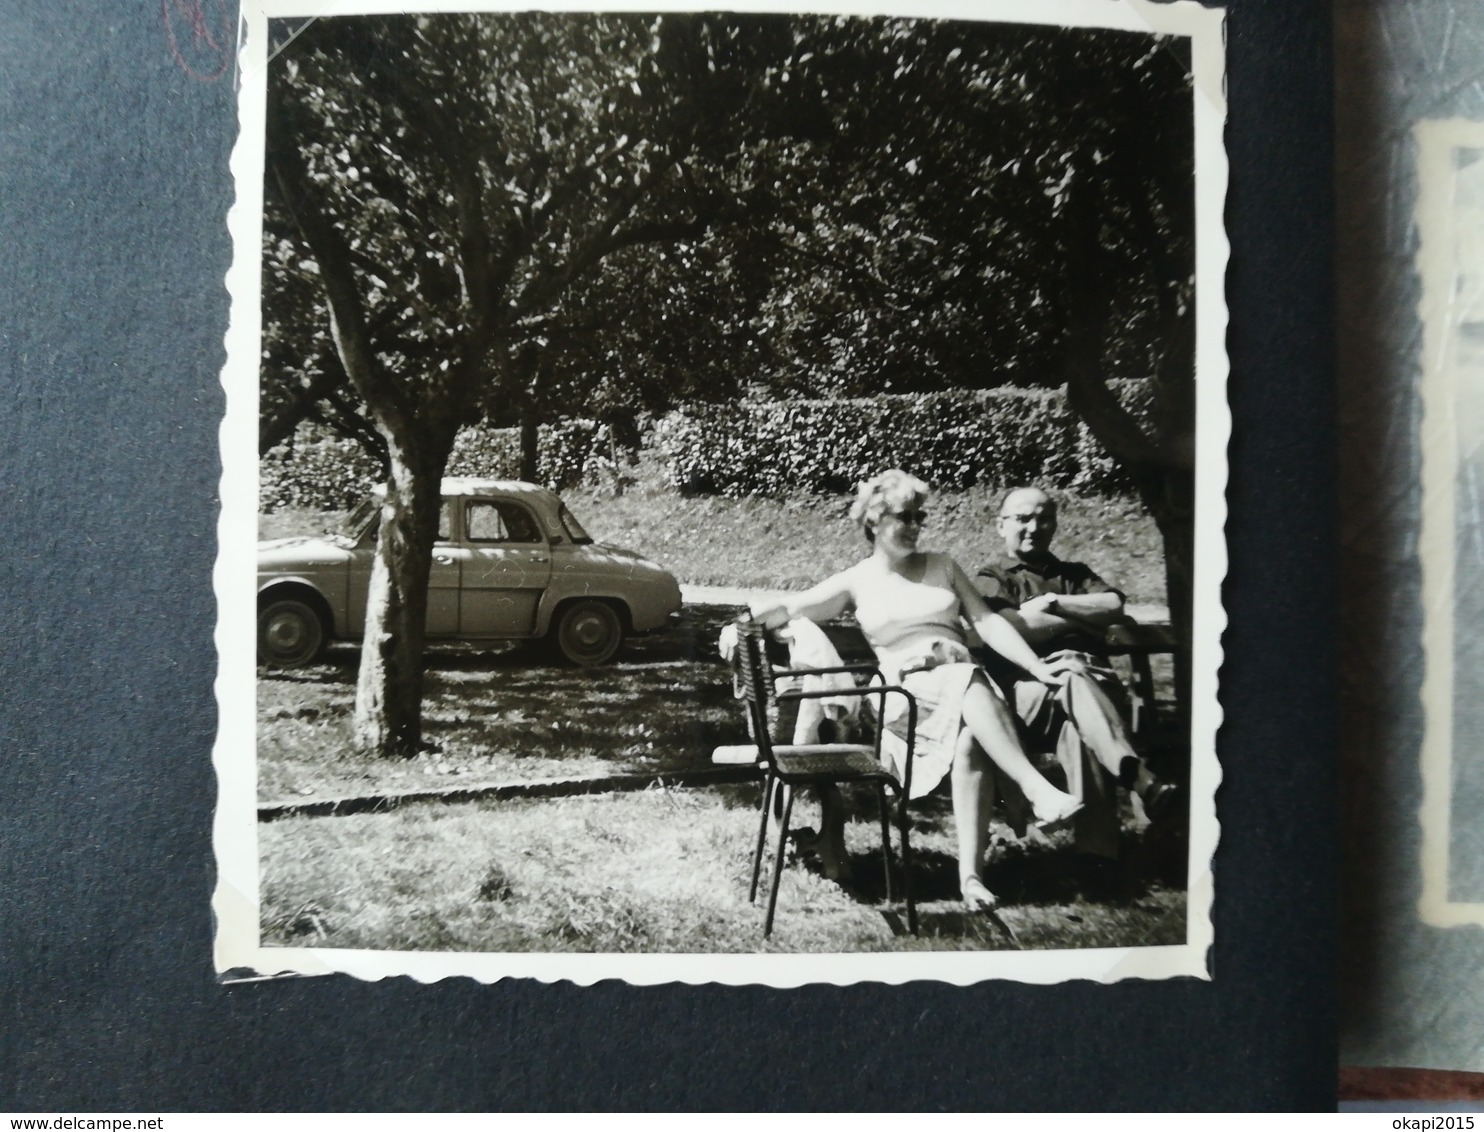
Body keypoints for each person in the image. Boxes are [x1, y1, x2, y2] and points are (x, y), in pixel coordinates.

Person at [750, 470, 1083, 913]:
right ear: (873, 521)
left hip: (960, 686)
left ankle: (970, 878)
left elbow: (985, 622)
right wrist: (744, 622)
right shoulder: (857, 580)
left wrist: (1034, 665)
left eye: (918, 517)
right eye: (902, 517)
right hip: (901, 697)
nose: (913, 526)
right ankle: (1032, 787)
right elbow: (792, 607)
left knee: (970, 736)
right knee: (963, 674)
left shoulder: (943, 566)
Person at [975, 487, 1176, 859]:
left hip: (1094, 691)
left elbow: (1113, 605)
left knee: (1077, 722)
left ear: (1054, 525)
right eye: (1022, 519)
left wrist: (1054, 603)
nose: (1034, 527)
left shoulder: (1075, 574)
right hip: (1028, 697)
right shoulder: (994, 578)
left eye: (1043, 518)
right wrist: (1078, 625)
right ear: (1001, 525)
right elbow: (1010, 625)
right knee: (1069, 669)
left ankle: (1096, 857)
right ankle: (1137, 777)